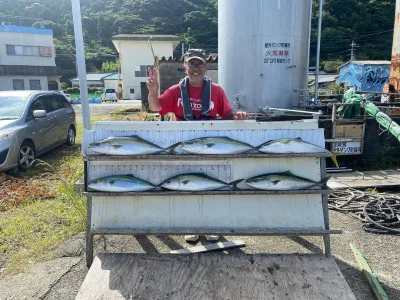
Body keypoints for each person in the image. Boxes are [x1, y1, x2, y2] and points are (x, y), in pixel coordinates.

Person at [147, 49, 247, 243]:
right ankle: (192, 225)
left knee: (212, 186)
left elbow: (228, 114)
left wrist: (238, 116)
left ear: (206, 67)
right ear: (185, 67)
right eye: (191, 64)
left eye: (199, 64)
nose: (195, 68)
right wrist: (152, 92)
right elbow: (156, 107)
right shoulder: (175, 91)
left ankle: (212, 226)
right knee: (187, 187)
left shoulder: (216, 90)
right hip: (185, 149)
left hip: (211, 149)